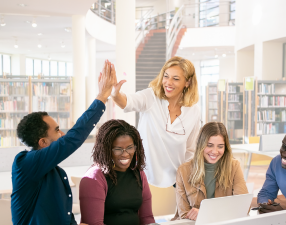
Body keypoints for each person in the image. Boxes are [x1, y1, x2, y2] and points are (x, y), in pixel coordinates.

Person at [11, 60, 115, 225]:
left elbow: (61, 215)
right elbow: (73, 138)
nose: (62, 134)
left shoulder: (54, 171)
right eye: (57, 130)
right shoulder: (24, 163)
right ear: (43, 142)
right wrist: (102, 96)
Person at [110, 56, 201, 188]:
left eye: (175, 79)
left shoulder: (194, 111)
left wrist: (185, 179)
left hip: (176, 183)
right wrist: (115, 93)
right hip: (142, 180)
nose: (168, 82)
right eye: (166, 76)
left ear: (188, 82)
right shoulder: (151, 97)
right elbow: (127, 102)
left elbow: (191, 150)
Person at [79, 119, 155, 225]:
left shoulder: (139, 174)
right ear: (106, 150)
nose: (125, 154)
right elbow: (94, 223)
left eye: (130, 148)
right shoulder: (94, 177)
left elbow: (147, 218)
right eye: (118, 149)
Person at [173, 122, 248, 221]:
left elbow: (243, 207)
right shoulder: (183, 171)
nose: (215, 151)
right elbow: (184, 214)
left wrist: (206, 213)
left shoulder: (234, 166)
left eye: (220, 146)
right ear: (201, 145)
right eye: (210, 145)